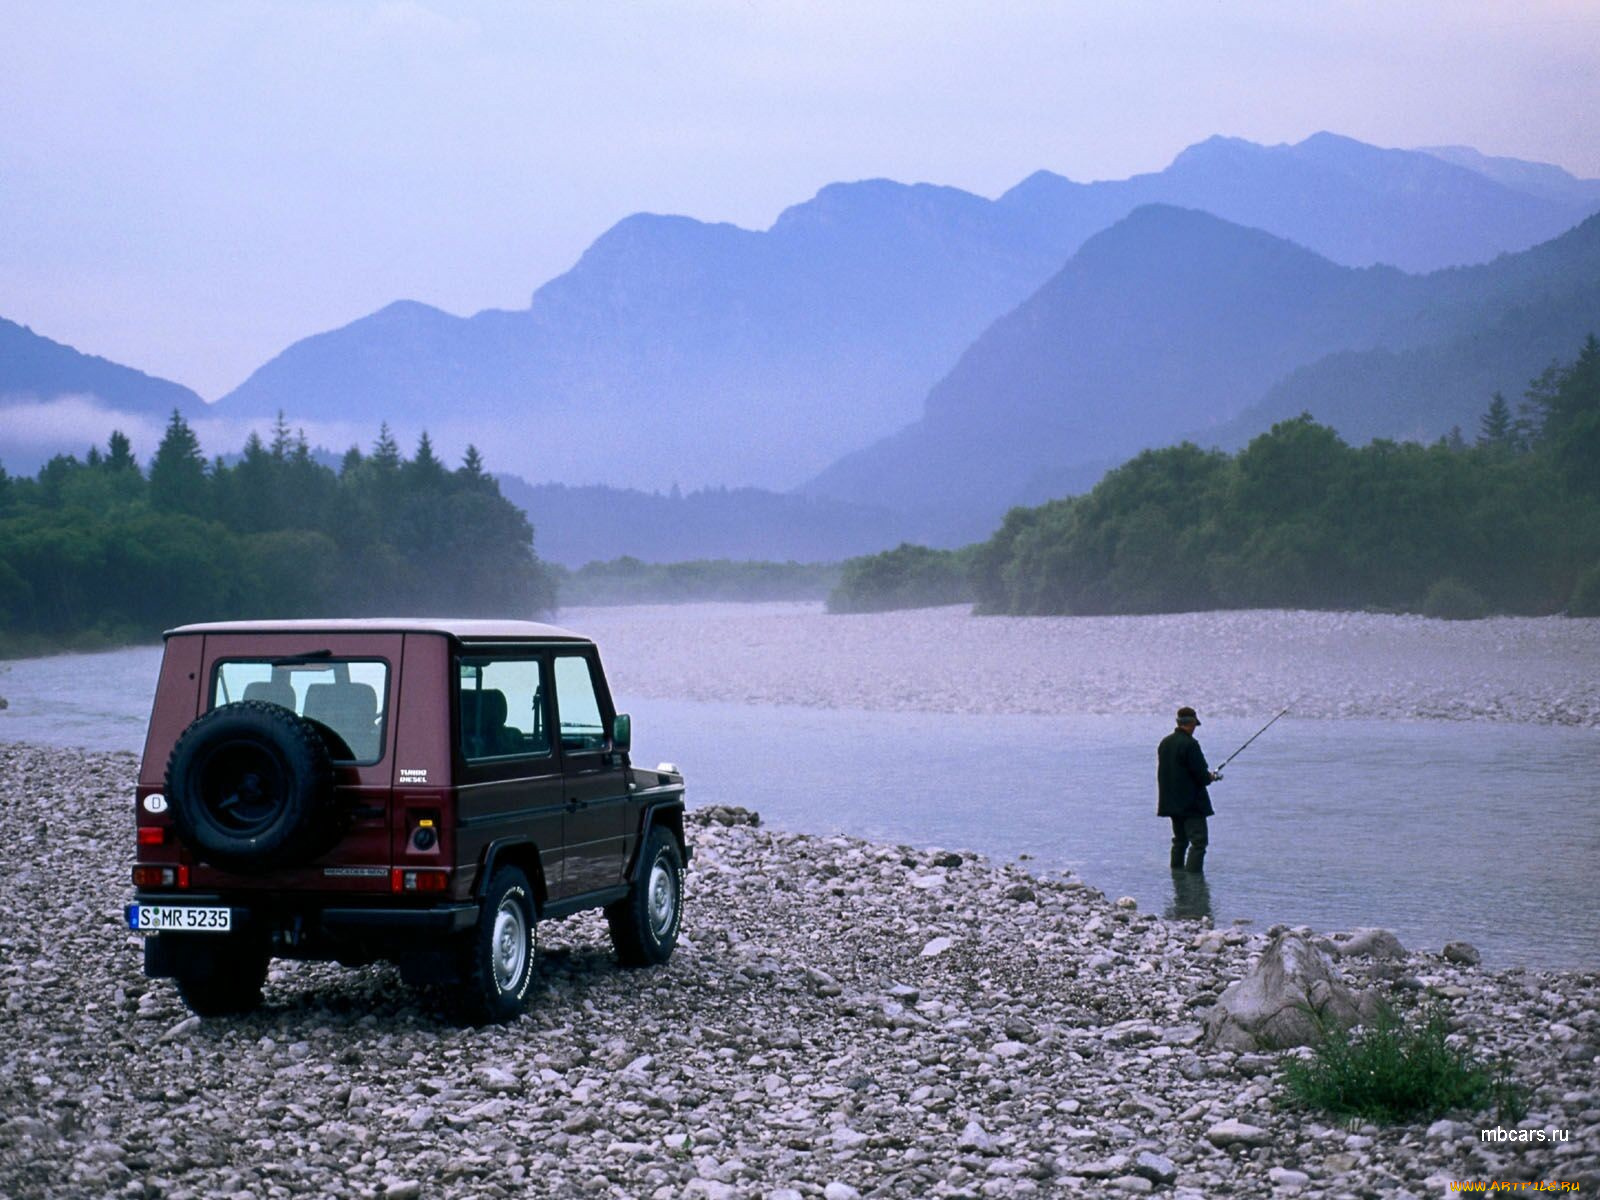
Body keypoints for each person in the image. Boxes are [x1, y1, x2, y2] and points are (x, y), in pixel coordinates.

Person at [1157, 705, 1220, 873]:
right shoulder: (1190, 744)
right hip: (1191, 804)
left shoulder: (1165, 743)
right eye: (1194, 725)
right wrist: (1211, 777)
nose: (1195, 729)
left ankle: (1177, 877)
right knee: (1198, 842)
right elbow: (1201, 775)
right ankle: (1194, 883)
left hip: (1171, 802)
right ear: (1191, 723)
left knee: (1179, 841)